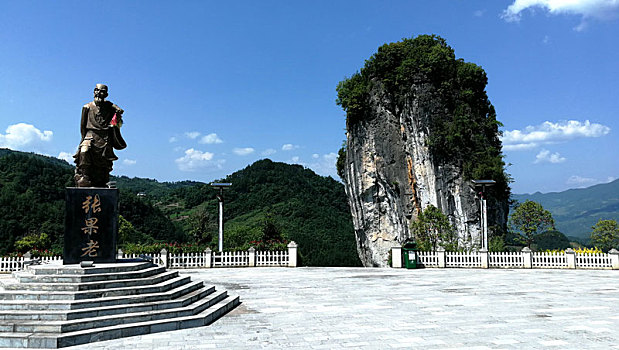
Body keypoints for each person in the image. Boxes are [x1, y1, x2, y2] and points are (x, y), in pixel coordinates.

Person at [73, 84, 126, 187]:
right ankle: (85, 176)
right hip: (90, 135)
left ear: (106, 94)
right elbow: (82, 126)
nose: (98, 93)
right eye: (96, 90)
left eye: (102, 91)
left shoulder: (109, 107)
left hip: (104, 137)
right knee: (85, 151)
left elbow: (117, 111)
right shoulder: (87, 107)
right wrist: (83, 138)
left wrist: (117, 111)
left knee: (104, 160)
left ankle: (102, 178)